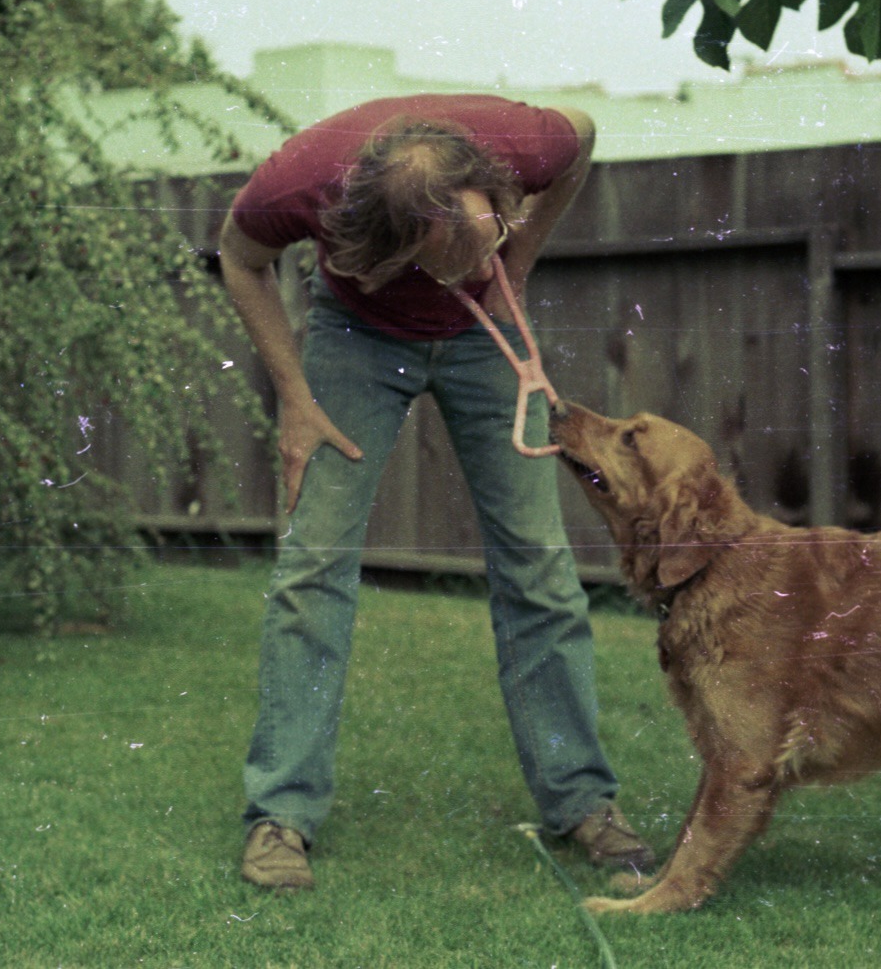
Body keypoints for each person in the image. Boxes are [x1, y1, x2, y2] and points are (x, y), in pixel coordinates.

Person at [219, 94, 653, 890]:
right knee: (313, 569)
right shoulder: (301, 178)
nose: (472, 254)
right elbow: (237, 256)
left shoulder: (524, 140)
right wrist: (295, 394)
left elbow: (585, 136)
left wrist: (510, 264)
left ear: (491, 189)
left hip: (484, 341)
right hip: (355, 342)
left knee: (540, 567)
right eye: (447, 252)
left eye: (482, 233)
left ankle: (583, 800)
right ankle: (279, 814)